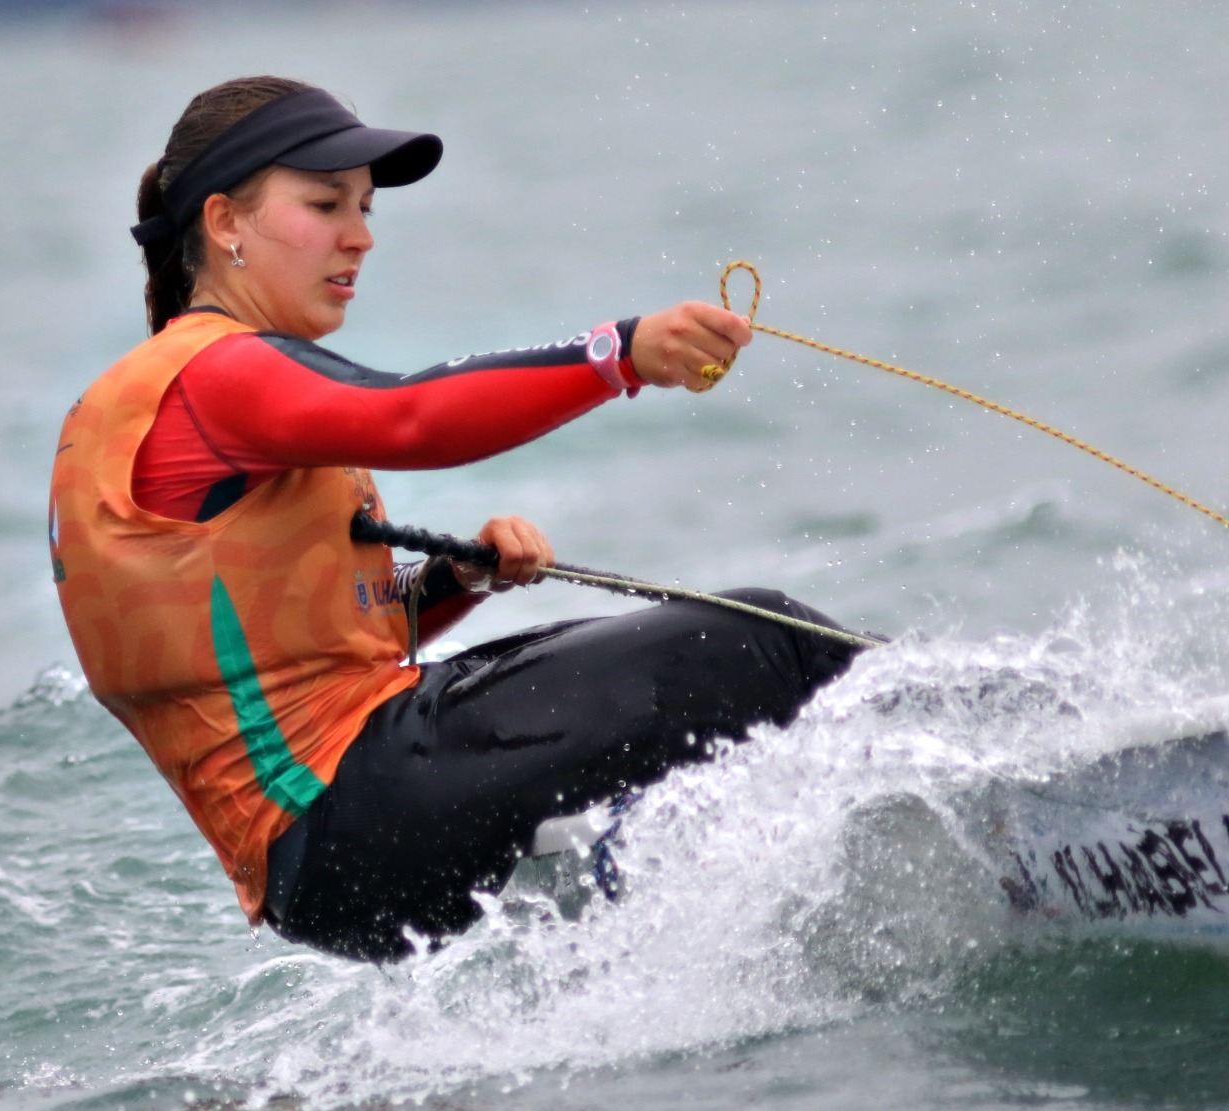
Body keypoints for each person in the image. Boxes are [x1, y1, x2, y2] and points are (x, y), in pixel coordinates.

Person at [49, 75, 866, 963]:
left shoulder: (154, 401)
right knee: (765, 642)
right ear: (224, 223)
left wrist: (455, 580)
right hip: (354, 803)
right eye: (325, 204)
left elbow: (296, 652)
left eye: (365, 207)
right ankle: (963, 759)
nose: (360, 235)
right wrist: (621, 354)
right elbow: (412, 416)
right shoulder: (213, 375)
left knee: (701, 737)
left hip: (324, 871)